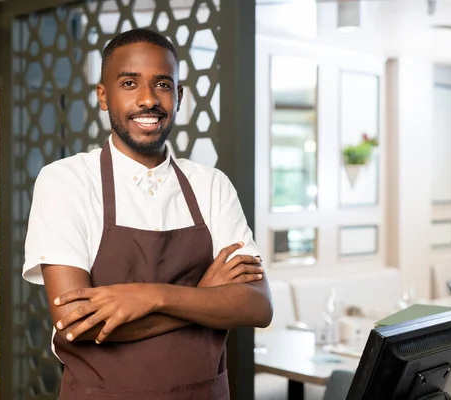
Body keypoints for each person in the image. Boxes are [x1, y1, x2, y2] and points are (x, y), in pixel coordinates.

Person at [22, 28, 273, 400]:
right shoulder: (66, 181)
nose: (148, 99)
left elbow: (257, 305)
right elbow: (75, 321)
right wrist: (203, 296)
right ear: (103, 97)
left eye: (162, 84)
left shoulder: (211, 185)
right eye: (129, 83)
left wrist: (152, 297)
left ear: (179, 96)